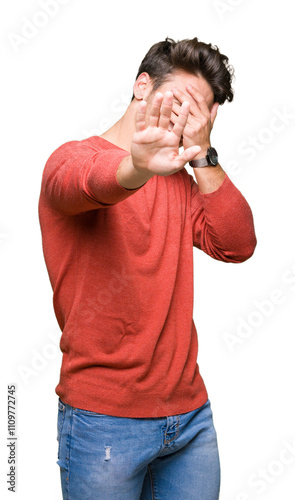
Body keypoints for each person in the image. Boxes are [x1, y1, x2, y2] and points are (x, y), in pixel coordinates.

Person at [38, 37, 257, 500]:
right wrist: (138, 168)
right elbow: (87, 184)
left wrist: (203, 155)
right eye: (181, 103)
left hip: (190, 423)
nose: (185, 121)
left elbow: (237, 245)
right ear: (143, 87)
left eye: (199, 115)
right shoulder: (71, 160)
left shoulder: (180, 181)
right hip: (104, 424)